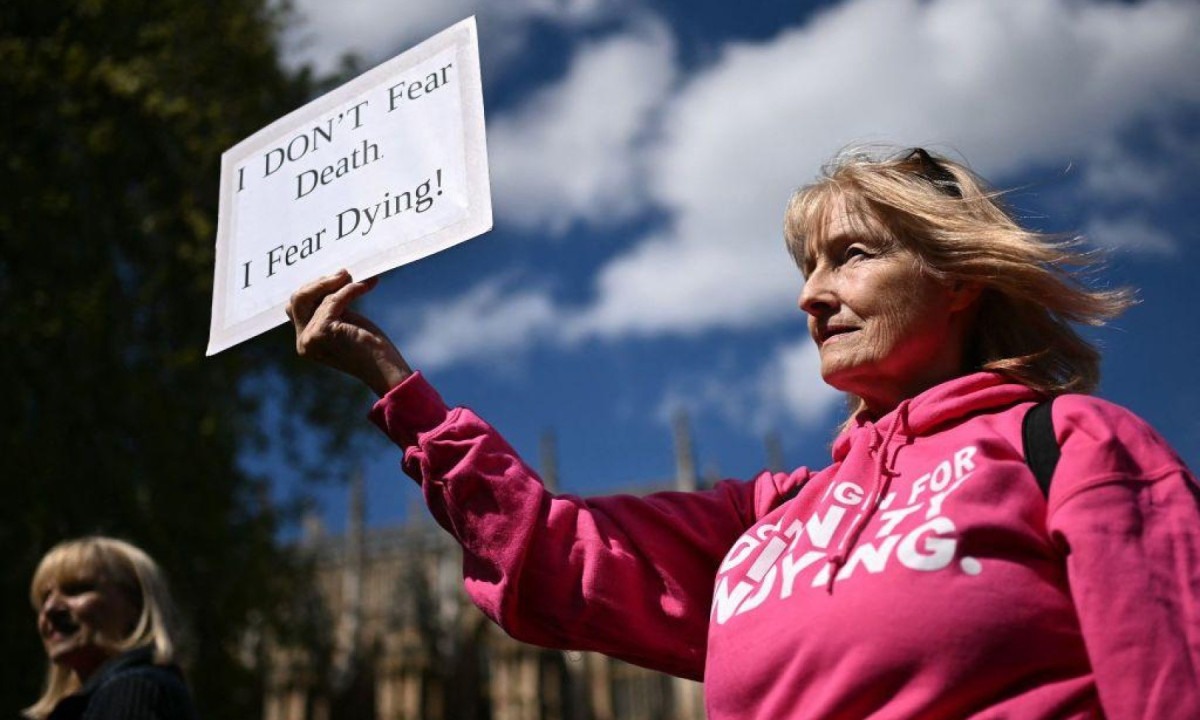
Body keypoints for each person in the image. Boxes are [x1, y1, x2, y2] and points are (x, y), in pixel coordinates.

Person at [287, 146, 1200, 719]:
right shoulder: (771, 517)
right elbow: (551, 558)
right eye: (806, 266)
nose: (811, 293)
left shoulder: (1073, 447)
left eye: (852, 255)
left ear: (960, 279)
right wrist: (393, 382)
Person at [25, 536, 200, 720]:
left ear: (136, 605)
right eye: (44, 598)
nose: (49, 609)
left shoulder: (134, 688)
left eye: (77, 589)